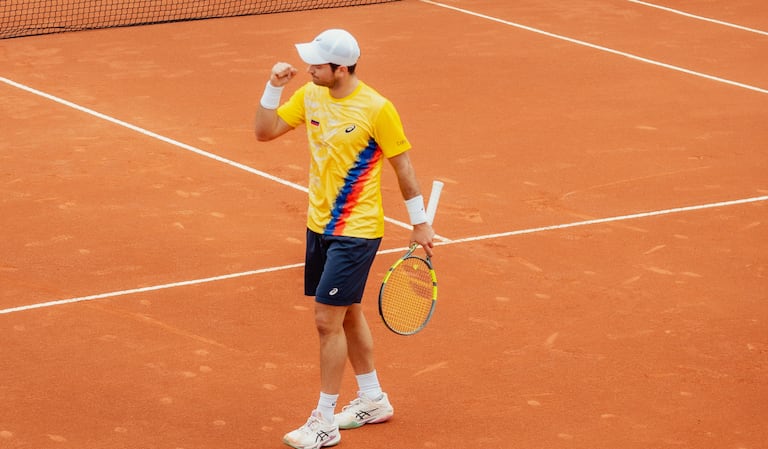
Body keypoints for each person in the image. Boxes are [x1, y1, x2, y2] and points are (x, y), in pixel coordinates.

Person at [254, 28, 435, 449]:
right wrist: (272, 88)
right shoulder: (311, 95)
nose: (309, 68)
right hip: (319, 225)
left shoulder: (376, 108)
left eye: (318, 64)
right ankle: (373, 399)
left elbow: (403, 167)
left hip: (356, 231)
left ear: (342, 68)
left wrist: (420, 221)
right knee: (349, 312)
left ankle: (324, 421)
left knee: (325, 320)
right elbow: (264, 132)